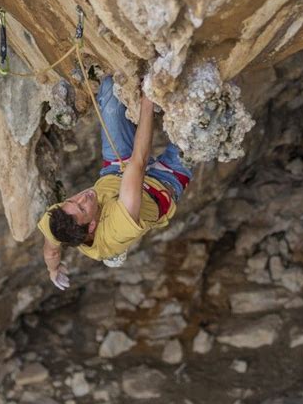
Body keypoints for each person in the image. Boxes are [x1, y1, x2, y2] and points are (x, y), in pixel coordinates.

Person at [38, 76, 192, 289]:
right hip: (164, 182)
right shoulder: (116, 232)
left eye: (73, 200)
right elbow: (139, 160)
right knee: (197, 124)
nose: (83, 196)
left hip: (116, 168)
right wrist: (148, 99)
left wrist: (53, 270)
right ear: (92, 226)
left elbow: (52, 250)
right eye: (83, 206)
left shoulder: (60, 219)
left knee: (111, 88)